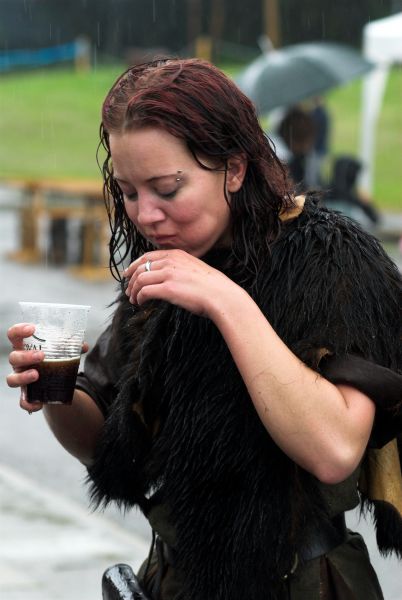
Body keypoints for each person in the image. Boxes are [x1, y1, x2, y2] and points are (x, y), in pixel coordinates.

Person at [6, 58, 402, 600]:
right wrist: (54, 385)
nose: (145, 215)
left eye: (167, 188)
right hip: (172, 581)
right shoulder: (170, 261)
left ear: (234, 170)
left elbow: (333, 449)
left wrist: (223, 300)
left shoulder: (330, 260)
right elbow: (106, 445)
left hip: (302, 584)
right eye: (128, 191)